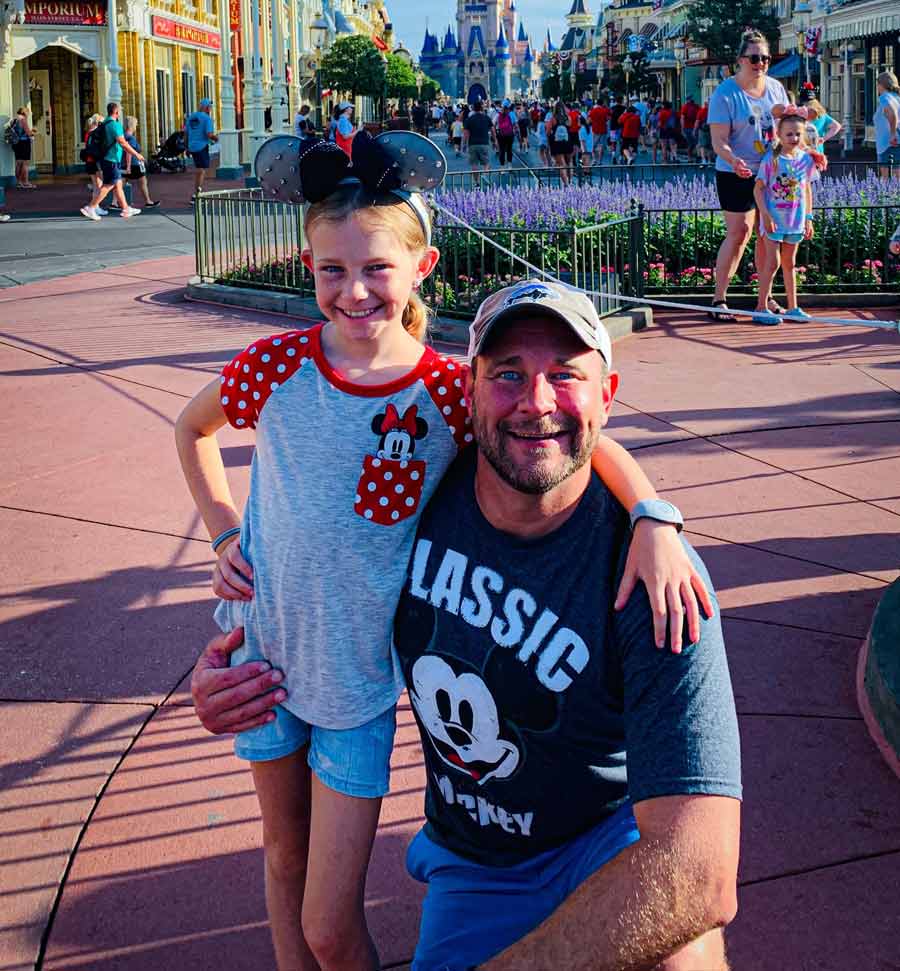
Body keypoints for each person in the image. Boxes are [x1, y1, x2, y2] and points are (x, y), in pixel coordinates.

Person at [190, 279, 739, 971]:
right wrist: (234, 669)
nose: (536, 402)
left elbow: (699, 871)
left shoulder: (654, 572)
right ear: (468, 391)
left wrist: (654, 516)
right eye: (507, 373)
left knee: (684, 956)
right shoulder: (411, 504)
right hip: (476, 865)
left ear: (608, 393)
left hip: (607, 840)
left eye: (565, 375)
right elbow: (314, 578)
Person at [708, 28, 790, 321]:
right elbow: (718, 140)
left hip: (770, 172)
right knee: (740, 232)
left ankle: (764, 299)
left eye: (766, 58)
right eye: (755, 58)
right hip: (735, 172)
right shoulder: (725, 94)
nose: (761, 63)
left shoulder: (777, 89)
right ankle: (719, 298)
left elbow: (787, 129)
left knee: (767, 235)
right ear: (740, 60)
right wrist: (734, 160)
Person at [752, 110, 818, 325]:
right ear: (779, 134)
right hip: (774, 219)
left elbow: (807, 189)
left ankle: (793, 307)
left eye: (798, 134)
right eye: (789, 134)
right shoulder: (772, 159)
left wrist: (808, 217)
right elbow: (758, 189)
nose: (794, 139)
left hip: (795, 220)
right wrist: (765, 214)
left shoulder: (805, 160)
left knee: (790, 264)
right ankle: (761, 307)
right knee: (772, 262)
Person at [80, 102, 143, 221]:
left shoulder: (105, 123)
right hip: (112, 159)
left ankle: (125, 208)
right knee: (109, 185)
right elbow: (123, 142)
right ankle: (91, 207)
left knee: (118, 184)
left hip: (107, 159)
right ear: (116, 112)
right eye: (119, 111)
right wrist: (136, 154)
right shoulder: (115, 125)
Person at [185, 98, 218, 202]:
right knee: (201, 171)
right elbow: (209, 134)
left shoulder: (191, 117)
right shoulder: (207, 119)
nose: (210, 109)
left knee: (200, 170)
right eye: (210, 107)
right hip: (201, 147)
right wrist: (216, 138)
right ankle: (197, 195)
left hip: (192, 146)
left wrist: (187, 147)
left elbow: (186, 134)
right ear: (207, 107)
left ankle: (197, 193)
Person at [122, 115, 159, 209]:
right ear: (132, 125)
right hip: (134, 164)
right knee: (143, 181)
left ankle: (114, 202)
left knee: (121, 183)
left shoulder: (122, 136)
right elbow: (129, 152)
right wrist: (129, 166)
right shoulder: (131, 138)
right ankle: (148, 201)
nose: (136, 126)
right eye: (136, 124)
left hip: (123, 163)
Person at [873, 70, 900, 179]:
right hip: (896, 141)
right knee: (897, 179)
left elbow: (891, 112)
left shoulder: (885, 97)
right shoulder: (897, 97)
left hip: (887, 143)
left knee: (886, 179)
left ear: (881, 84)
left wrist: (892, 134)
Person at [463, 100, 496, 174]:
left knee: (474, 165)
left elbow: (466, 133)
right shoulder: (486, 118)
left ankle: (477, 183)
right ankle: (485, 175)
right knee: (486, 163)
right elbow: (493, 130)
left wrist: (464, 144)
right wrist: (495, 141)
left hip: (472, 144)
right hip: (484, 143)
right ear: (482, 108)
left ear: (473, 109)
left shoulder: (469, 119)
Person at [10, 107, 36, 189]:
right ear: (24, 113)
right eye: (28, 112)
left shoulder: (14, 120)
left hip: (16, 144)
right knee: (25, 163)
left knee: (18, 163)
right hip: (24, 143)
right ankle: (26, 182)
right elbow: (28, 133)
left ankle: (18, 182)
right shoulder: (23, 120)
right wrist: (34, 131)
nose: (29, 113)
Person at [82, 112, 105, 201]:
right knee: (99, 184)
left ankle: (95, 205)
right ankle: (95, 205)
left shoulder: (88, 133)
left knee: (96, 184)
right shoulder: (96, 133)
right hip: (95, 161)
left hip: (89, 161)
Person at [549, 104, 572, 185]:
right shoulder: (568, 118)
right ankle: (570, 181)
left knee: (561, 164)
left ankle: (566, 184)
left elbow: (548, 131)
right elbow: (570, 128)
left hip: (557, 143)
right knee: (569, 163)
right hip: (567, 142)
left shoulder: (553, 119)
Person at [495, 102, 517, 167]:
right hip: (510, 135)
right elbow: (515, 125)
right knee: (509, 149)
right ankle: (509, 165)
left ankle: (502, 167)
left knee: (502, 150)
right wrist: (515, 132)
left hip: (501, 135)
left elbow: (493, 123)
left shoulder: (498, 115)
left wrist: (495, 132)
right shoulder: (511, 114)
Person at [588, 97, 609, 164]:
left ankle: (594, 159)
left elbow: (589, 120)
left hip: (595, 129)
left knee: (593, 145)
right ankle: (600, 161)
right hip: (603, 129)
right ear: (602, 103)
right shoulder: (604, 110)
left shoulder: (593, 110)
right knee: (601, 146)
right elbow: (607, 119)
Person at [680, 95, 699, 160]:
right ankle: (690, 156)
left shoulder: (695, 106)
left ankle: (693, 156)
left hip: (693, 127)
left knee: (694, 143)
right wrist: (682, 128)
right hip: (689, 128)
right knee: (692, 143)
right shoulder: (685, 107)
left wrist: (682, 129)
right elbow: (682, 118)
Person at [608, 94, 626, 164]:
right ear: (621, 100)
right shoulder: (624, 108)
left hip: (613, 127)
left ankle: (613, 156)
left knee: (613, 143)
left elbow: (609, 117)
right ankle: (621, 157)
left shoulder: (612, 108)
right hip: (621, 127)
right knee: (621, 143)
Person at [695, 100, 712, 165]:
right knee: (709, 146)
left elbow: (697, 121)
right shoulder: (712, 111)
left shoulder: (701, 111)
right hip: (710, 130)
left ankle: (703, 159)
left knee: (702, 145)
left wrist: (695, 130)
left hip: (702, 130)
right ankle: (709, 160)